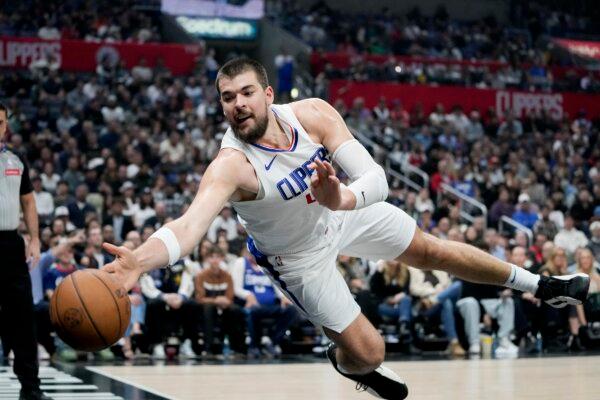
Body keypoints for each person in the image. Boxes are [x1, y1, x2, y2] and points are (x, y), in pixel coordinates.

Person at [102, 59, 590, 400]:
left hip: (342, 211)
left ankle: (544, 286)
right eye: (227, 98)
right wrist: (139, 262)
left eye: (247, 92)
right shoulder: (231, 166)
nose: (238, 104)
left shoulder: (312, 114)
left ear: (268, 94)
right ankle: (344, 360)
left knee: (430, 249)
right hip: (297, 257)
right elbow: (189, 227)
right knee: (369, 352)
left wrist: (343, 198)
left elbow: (376, 178)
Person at [0, 102, 47, 400]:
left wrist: (35, 239)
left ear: (5, 125)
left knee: (22, 319)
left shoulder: (15, 160)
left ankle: (30, 387)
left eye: (0, 121)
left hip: (9, 245)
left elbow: (28, 202)